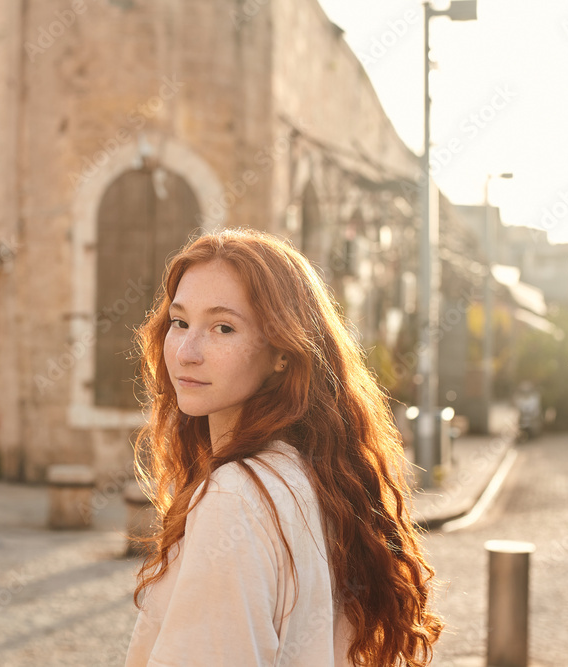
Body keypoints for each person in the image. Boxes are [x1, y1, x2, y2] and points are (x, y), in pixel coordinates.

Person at [125, 228, 442, 666]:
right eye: (179, 322)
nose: (186, 352)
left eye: (223, 327)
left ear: (282, 352)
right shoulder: (314, 476)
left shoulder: (235, 496)